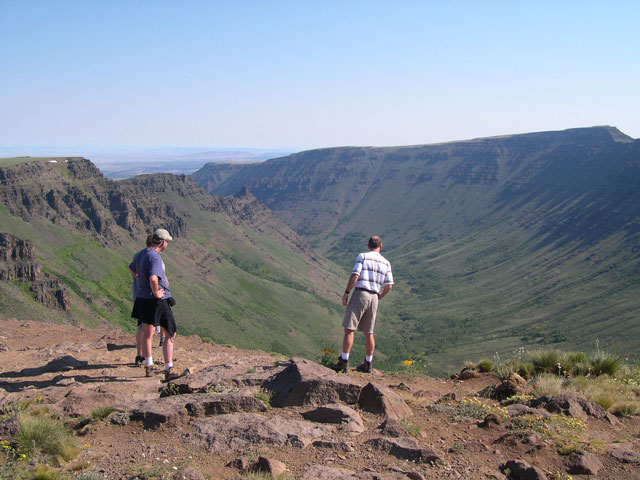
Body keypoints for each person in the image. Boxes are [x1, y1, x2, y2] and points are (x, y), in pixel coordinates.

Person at [332, 235, 393, 373]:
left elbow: (355, 275)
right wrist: (380, 296)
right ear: (381, 247)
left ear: (368, 246)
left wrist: (347, 292)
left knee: (349, 329)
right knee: (369, 332)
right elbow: (389, 285)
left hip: (361, 293)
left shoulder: (363, 256)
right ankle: (368, 363)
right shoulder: (386, 263)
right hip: (374, 297)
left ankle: (344, 361)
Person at [130, 228, 180, 381]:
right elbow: (153, 278)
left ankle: (149, 365)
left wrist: (139, 279)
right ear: (163, 243)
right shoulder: (155, 257)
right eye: (167, 242)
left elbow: (131, 268)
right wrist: (157, 292)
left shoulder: (140, 254)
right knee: (170, 333)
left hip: (142, 298)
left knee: (147, 333)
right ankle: (168, 368)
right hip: (156, 300)